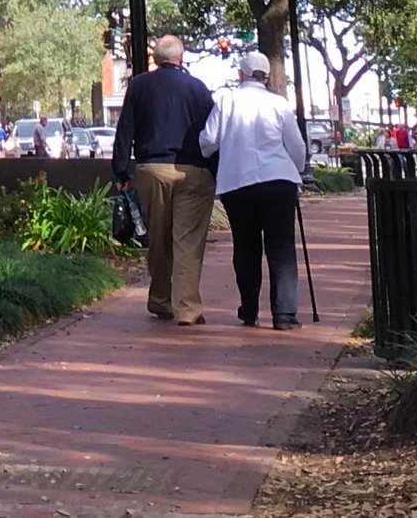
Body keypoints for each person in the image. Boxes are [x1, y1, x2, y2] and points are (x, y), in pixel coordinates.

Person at [111, 35, 216, 325]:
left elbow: (126, 130)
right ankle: (187, 308)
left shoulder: (139, 86)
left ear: (155, 58)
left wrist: (121, 171)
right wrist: (216, 171)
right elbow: (212, 134)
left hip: (151, 169)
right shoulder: (197, 88)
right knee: (188, 241)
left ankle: (160, 300)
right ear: (180, 57)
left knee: (157, 238)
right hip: (193, 170)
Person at [200, 51, 309, 329]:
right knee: (282, 246)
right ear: (267, 77)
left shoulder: (226, 102)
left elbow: (207, 141)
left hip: (239, 183)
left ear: (241, 75)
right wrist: (295, 172)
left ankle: (249, 309)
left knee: (246, 246)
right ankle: (285, 314)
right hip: (279, 181)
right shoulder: (279, 103)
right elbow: (296, 147)